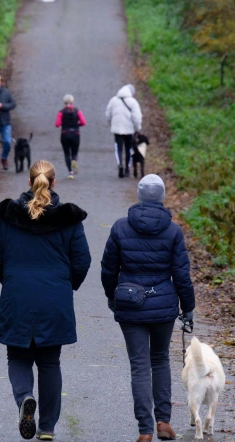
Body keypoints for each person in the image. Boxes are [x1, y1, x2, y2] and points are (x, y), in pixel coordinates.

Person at [0, 160, 91, 441]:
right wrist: (66, 286)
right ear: (53, 183)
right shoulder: (68, 219)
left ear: (29, 182)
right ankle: (47, 428)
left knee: (17, 355)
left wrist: (10, 280)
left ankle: (24, 398)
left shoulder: (8, 216)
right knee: (49, 361)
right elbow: (82, 261)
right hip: (54, 298)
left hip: (17, 295)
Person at [100, 174, 195, 442]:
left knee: (139, 366)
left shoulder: (120, 227)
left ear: (140, 196)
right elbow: (182, 275)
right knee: (160, 359)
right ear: (162, 197)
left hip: (130, 305)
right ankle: (164, 421)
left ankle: (145, 430)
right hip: (163, 304)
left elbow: (109, 269)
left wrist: (111, 296)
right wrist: (188, 307)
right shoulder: (173, 231)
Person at [105, 84, 142, 178]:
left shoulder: (113, 100)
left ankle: (120, 163)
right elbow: (137, 117)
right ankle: (127, 169)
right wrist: (137, 129)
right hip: (129, 130)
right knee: (129, 149)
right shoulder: (133, 102)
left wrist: (111, 124)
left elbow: (108, 114)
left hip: (117, 129)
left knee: (119, 148)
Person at [54, 94, 86, 179]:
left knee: (67, 153)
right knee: (74, 152)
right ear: (72, 102)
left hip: (65, 134)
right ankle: (74, 160)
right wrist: (77, 124)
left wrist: (63, 123)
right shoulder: (77, 111)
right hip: (75, 134)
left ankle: (70, 172)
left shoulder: (61, 112)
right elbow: (83, 122)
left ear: (64, 102)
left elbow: (57, 124)